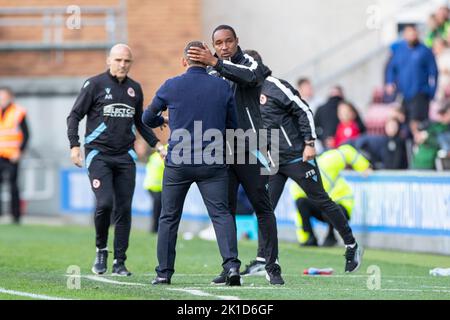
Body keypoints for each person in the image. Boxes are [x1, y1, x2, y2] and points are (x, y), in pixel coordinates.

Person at [240, 50, 364, 276]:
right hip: (274, 158)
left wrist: (309, 142)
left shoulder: (276, 85)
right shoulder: (246, 92)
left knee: (322, 200)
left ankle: (351, 245)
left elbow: (304, 110)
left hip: (297, 154)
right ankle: (261, 258)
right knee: (264, 208)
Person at [186, 25, 284, 285]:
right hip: (221, 149)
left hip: (251, 145)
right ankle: (230, 267)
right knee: (224, 211)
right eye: (219, 43)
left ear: (236, 41)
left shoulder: (247, 61)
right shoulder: (209, 71)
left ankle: (272, 265)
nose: (225, 46)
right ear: (213, 45)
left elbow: (253, 76)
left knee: (262, 206)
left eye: (229, 41)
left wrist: (216, 63)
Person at [143, 41, 241, 286]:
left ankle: (164, 273)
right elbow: (234, 126)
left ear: (184, 61)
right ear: (206, 59)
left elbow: (146, 118)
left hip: (180, 162)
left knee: (169, 217)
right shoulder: (221, 86)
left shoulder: (171, 85)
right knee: (221, 215)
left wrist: (165, 119)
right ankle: (231, 267)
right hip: (213, 161)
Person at [66, 44, 165, 276]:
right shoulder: (94, 84)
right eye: (118, 60)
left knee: (124, 209)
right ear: (108, 60)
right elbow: (74, 115)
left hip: (125, 156)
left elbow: (140, 122)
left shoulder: (135, 89)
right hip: (98, 154)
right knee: (104, 204)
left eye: (127, 61)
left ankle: (120, 261)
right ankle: (101, 250)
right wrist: (74, 146)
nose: (122, 64)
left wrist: (158, 145)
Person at [290, 145, 371, 247]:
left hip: (342, 204)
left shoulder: (328, 161)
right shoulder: (297, 181)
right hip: (325, 209)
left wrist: (364, 167)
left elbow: (347, 151)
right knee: (301, 202)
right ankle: (311, 237)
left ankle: (332, 236)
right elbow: (299, 215)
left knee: (329, 209)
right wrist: (303, 239)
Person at [385, 24, 439, 141]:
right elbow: (391, 68)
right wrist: (390, 82)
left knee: (417, 126)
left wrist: (431, 92)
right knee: (402, 123)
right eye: (408, 33)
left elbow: (434, 73)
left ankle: (420, 154)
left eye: (413, 33)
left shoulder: (425, 51)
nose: (411, 36)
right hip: (404, 94)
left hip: (420, 93)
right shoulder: (399, 50)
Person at [0, 87, 29, 224]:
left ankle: (16, 216)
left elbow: (26, 135)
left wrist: (20, 152)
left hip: (12, 155)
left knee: (13, 185)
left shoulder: (18, 112)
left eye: (4, 96)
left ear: (10, 97)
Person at [412, 102, 450, 169]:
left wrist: (427, 137)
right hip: (420, 163)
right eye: (442, 114)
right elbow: (419, 137)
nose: (443, 116)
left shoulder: (444, 129)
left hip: (433, 164)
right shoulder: (432, 126)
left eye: (445, 113)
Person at [143, 147, 165, 233]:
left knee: (159, 207)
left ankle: (155, 228)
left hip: (153, 186)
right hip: (154, 187)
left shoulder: (153, 156)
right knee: (158, 207)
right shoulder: (158, 157)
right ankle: (154, 229)